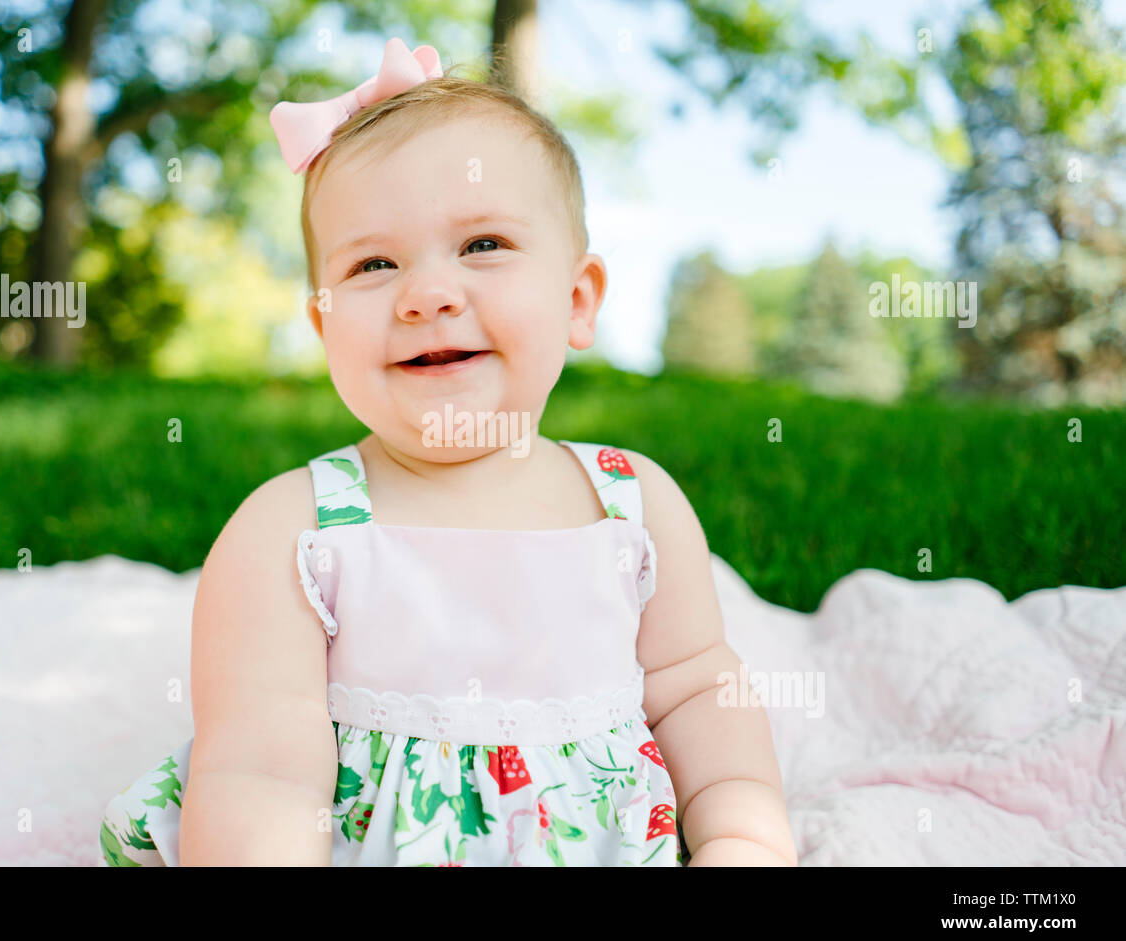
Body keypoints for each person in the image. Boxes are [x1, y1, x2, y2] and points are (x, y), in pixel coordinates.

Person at [99, 37, 796, 867]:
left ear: (577, 301)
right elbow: (258, 766)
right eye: (375, 262)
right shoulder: (295, 528)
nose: (428, 294)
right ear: (324, 324)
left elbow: (697, 693)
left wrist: (740, 837)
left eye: (482, 246)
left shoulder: (631, 503)